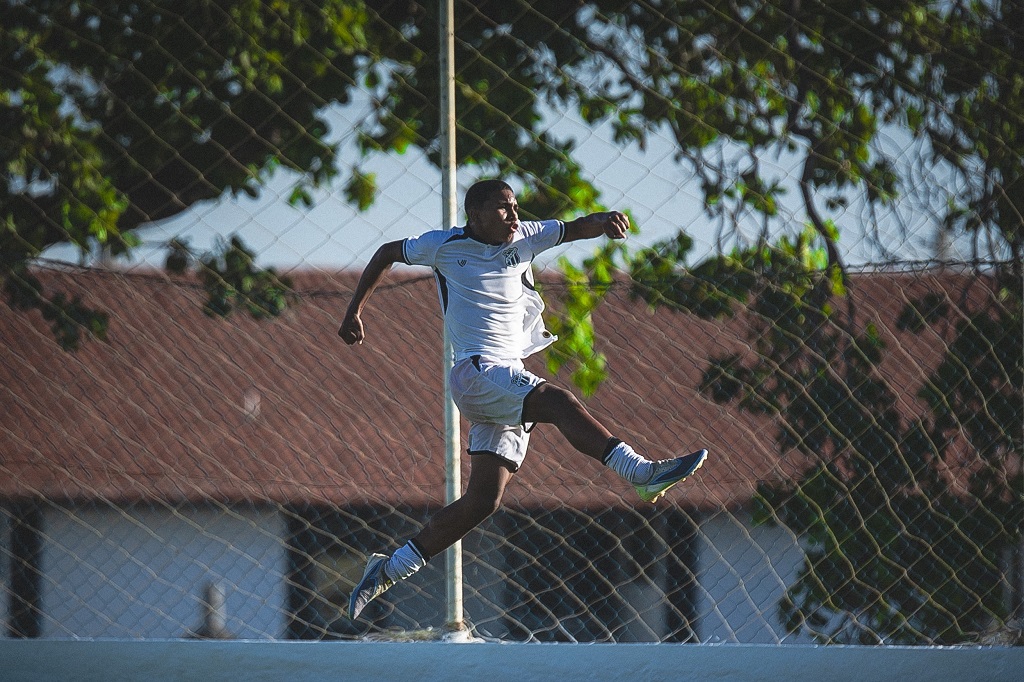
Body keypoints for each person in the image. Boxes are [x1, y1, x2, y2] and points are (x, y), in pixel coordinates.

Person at [339, 179, 708, 620]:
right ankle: (640, 471)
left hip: (507, 375)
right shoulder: (443, 246)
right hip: (475, 372)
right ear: (474, 215)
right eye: (502, 209)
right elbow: (386, 253)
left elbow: (574, 227)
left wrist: (605, 222)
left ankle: (388, 569)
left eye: (515, 207)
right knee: (557, 401)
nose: (513, 216)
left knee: (483, 501)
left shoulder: (526, 235)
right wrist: (354, 310)